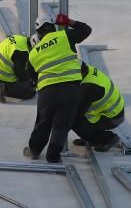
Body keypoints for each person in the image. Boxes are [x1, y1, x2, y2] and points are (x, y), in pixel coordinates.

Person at [23, 14, 92, 163]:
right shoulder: (64, 36)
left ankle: (34, 150)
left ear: (39, 32)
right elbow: (86, 30)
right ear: (52, 26)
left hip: (47, 92)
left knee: (43, 122)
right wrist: (68, 21)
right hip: (70, 89)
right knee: (62, 124)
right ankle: (53, 156)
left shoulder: (34, 52)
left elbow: (31, 75)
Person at [72, 65, 125, 152]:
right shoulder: (88, 70)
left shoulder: (89, 87)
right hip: (114, 111)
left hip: (111, 118)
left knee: (74, 121)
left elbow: (77, 114)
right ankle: (90, 137)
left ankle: (107, 139)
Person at [0, 34, 35, 102]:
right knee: (29, 92)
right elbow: (20, 74)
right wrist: (30, 81)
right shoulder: (22, 52)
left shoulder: (20, 39)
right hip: (0, 76)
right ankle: (1, 88)